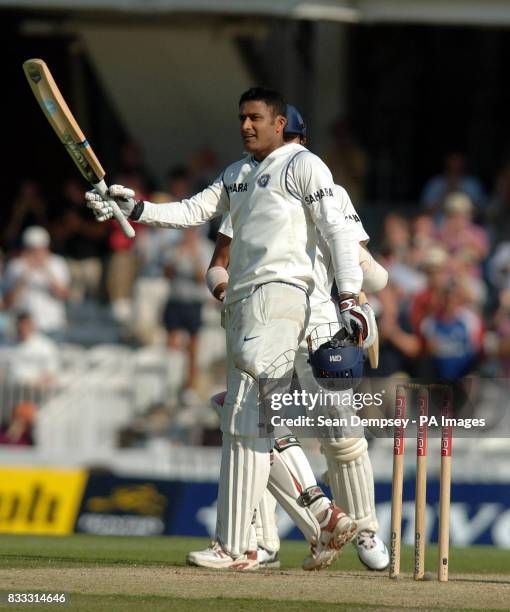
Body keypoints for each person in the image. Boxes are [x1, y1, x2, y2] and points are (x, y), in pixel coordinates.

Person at [86, 87, 376, 570]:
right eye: (242, 117)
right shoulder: (238, 173)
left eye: (256, 118)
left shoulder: (302, 164)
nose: (246, 125)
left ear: (280, 123)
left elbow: (338, 229)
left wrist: (349, 296)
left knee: (247, 410)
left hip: (283, 291)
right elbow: (192, 210)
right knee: (242, 418)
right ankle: (277, 532)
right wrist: (134, 207)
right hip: (242, 302)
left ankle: (244, 543)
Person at [202, 106, 389, 571]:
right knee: (250, 420)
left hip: (322, 326)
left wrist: (361, 297)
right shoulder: (250, 192)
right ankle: (263, 541)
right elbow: (217, 263)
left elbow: (364, 265)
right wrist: (225, 291)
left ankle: (363, 529)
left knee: (342, 436)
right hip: (267, 319)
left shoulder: (326, 189)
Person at [2, 226, 70, 340]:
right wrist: (25, 274)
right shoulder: (15, 266)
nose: (35, 253)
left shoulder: (57, 263)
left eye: (39, 249)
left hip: (52, 326)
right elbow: (8, 301)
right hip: (23, 330)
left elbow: (63, 295)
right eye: (31, 249)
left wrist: (46, 269)